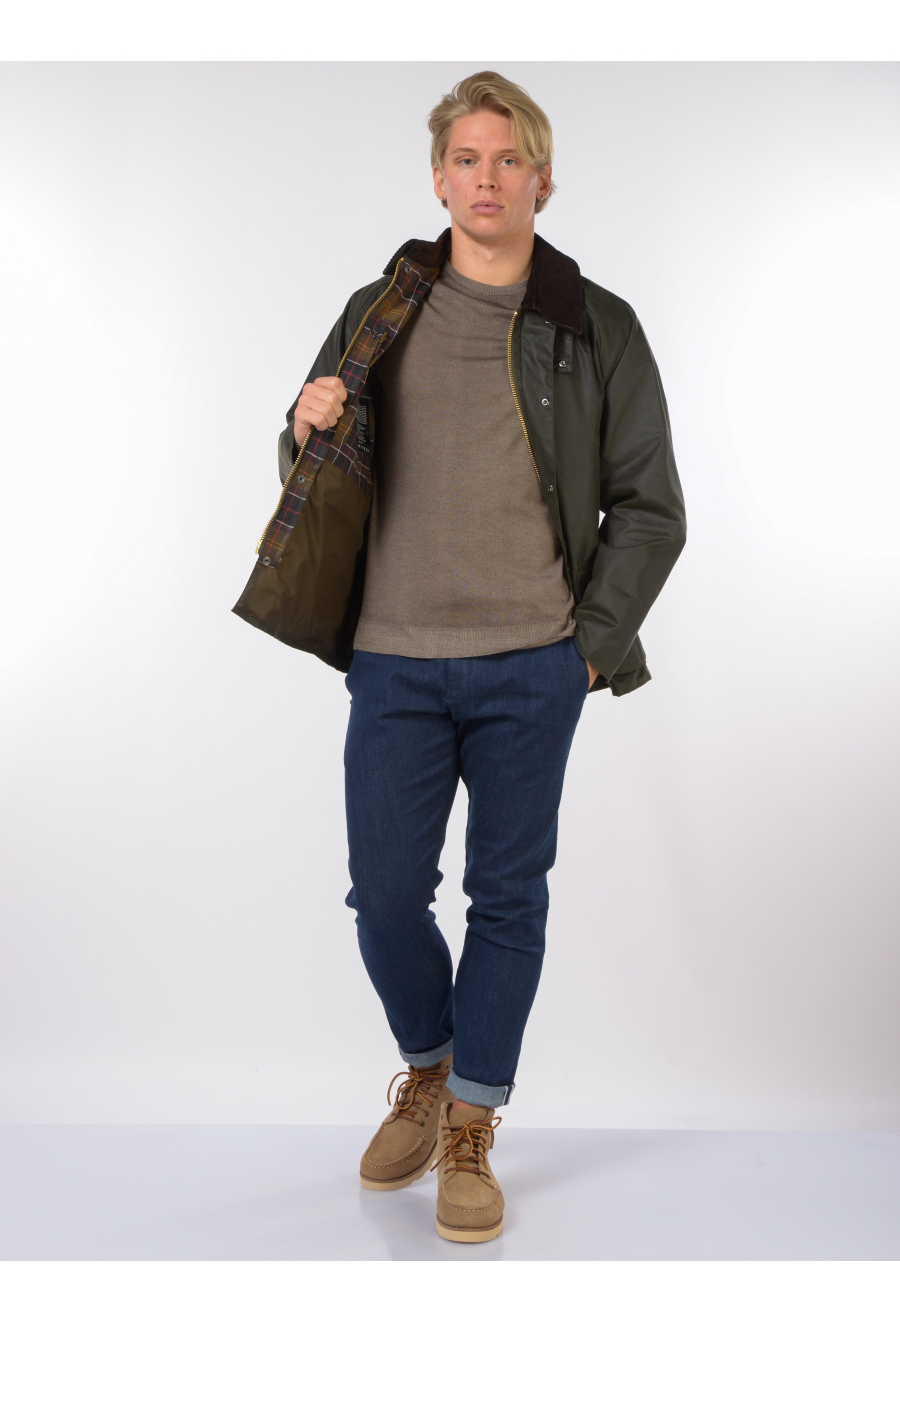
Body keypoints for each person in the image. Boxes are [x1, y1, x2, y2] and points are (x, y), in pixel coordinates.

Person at [234, 71, 686, 1243]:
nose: (488, 180)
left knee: (507, 898)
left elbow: (651, 508)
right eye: (467, 160)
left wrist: (587, 653)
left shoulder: (597, 326)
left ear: (544, 179)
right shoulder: (379, 309)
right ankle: (429, 1070)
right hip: (394, 658)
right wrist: (301, 427)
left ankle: (473, 1123)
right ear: (438, 178)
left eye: (509, 159)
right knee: (385, 896)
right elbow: (316, 471)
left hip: (535, 662)